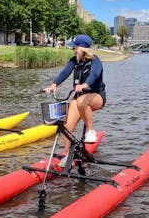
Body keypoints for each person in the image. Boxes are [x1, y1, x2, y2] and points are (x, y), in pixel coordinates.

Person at [44, 34, 106, 163]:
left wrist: (85, 85)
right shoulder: (74, 61)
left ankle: (91, 131)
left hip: (97, 96)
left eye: (74, 48)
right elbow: (64, 73)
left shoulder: (95, 61)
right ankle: (68, 155)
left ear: (82, 49)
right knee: (67, 127)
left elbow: (94, 74)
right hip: (80, 98)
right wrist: (53, 85)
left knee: (82, 101)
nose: (72, 50)